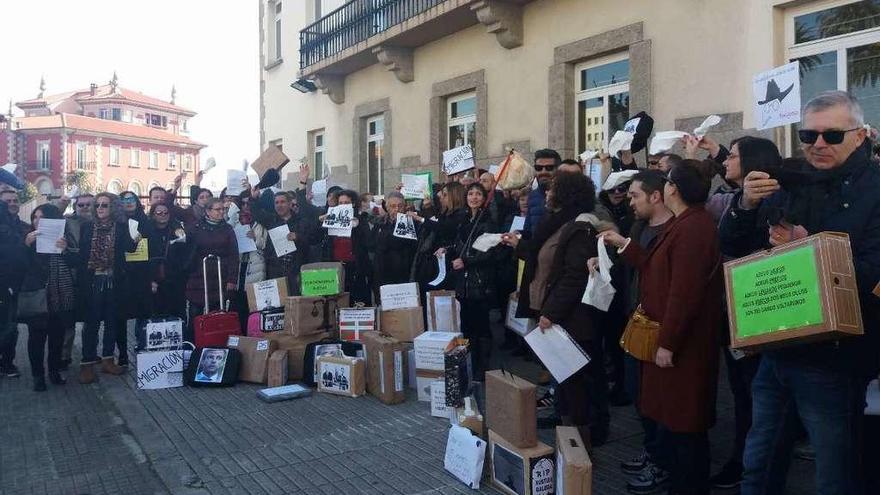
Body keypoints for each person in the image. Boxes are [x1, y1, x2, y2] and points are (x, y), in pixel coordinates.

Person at [721, 91, 880, 495]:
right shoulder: (789, 181)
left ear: (860, 136)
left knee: (836, 475)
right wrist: (743, 205)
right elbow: (734, 245)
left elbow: (872, 272)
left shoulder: (875, 189)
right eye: (808, 135)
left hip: (837, 359)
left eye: (831, 135)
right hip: (777, 345)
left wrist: (808, 246)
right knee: (758, 466)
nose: (818, 144)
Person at [602, 159, 723, 495]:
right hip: (671, 340)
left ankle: (688, 486)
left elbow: (685, 291)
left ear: (673, 189)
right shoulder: (684, 224)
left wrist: (667, 343)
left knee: (686, 424)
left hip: (684, 347)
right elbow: (656, 266)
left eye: (669, 181)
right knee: (672, 419)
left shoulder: (695, 228)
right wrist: (624, 246)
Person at [502, 172, 606, 445]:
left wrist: (552, 313)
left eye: (552, 189)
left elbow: (574, 275)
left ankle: (579, 443)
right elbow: (545, 259)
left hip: (570, 318)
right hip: (553, 311)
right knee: (563, 378)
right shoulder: (557, 223)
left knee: (575, 382)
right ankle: (566, 429)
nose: (546, 194)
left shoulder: (580, 226)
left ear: (566, 194)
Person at [703, 136, 779, 489]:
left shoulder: (773, 204)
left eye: (731, 157)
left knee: (754, 395)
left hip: (758, 308)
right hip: (732, 310)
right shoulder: (731, 199)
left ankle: (747, 462)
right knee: (742, 390)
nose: (726, 162)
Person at [617, 170, 674, 492]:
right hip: (635, 320)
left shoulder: (674, 229)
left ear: (656, 196)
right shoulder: (639, 227)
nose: (631, 201)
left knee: (659, 399)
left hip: (658, 328)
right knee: (638, 392)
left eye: (636, 195)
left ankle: (662, 461)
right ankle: (652, 448)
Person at [76, 192, 139, 384]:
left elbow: (129, 248)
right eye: (98, 205)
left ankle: (107, 360)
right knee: (91, 323)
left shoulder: (120, 227)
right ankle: (87, 363)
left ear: (113, 208)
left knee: (112, 321)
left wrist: (135, 238)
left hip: (114, 280)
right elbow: (81, 256)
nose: (100, 209)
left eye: (104, 205)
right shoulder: (86, 226)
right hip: (93, 280)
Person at [19, 204, 75, 391]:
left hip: (60, 294)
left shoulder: (65, 236)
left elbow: (78, 261)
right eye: (34, 217)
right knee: (36, 338)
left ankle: (54, 372)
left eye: (41, 217)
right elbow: (20, 267)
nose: (37, 221)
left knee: (57, 338)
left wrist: (65, 250)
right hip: (38, 295)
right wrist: (26, 246)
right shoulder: (28, 238)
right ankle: (37, 376)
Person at [450, 183, 499, 378]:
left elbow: (488, 253)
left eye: (478, 194)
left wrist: (466, 262)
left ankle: (482, 366)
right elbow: (460, 246)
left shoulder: (487, 221)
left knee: (481, 326)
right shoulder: (463, 219)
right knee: (466, 324)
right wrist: (448, 250)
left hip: (480, 282)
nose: (474, 197)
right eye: (470, 193)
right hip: (464, 283)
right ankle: (467, 363)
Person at [181, 198, 238, 341]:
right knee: (195, 312)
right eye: (217, 209)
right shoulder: (195, 227)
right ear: (207, 211)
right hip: (199, 276)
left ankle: (217, 343)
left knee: (218, 313)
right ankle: (194, 345)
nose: (221, 212)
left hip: (220, 275)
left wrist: (232, 279)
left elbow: (233, 254)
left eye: (223, 209)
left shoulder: (227, 229)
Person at [249, 185, 316, 295]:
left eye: (283, 202)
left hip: (296, 271)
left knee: (295, 304)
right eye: (277, 203)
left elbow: (312, 239)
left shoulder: (301, 221)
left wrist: (298, 237)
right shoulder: (271, 220)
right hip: (275, 270)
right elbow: (256, 213)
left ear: (290, 204)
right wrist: (254, 198)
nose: (279, 205)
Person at [115, 190, 152, 367]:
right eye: (124, 200)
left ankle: (142, 346)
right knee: (120, 316)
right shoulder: (116, 223)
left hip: (142, 274)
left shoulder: (146, 221)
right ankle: (122, 353)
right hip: (122, 275)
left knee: (144, 313)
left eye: (131, 199)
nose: (128, 202)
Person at [411, 182, 469, 295]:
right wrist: (427, 208)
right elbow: (435, 221)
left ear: (454, 196)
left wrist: (420, 219)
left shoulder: (461, 214)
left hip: (449, 262)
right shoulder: (446, 212)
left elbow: (443, 227)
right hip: (437, 260)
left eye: (445, 194)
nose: (440, 197)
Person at [147, 203, 188, 318]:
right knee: (156, 312)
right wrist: (149, 279)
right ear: (153, 215)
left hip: (175, 278)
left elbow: (185, 252)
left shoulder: (177, 230)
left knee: (177, 312)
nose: (163, 215)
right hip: (155, 277)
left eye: (166, 213)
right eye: (159, 213)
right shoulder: (147, 231)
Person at [373, 192, 418, 290]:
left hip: (405, 271)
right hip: (383, 271)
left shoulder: (412, 223)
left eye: (400, 206)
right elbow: (373, 244)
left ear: (405, 207)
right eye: (393, 206)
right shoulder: (380, 223)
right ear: (387, 207)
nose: (397, 209)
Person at [523, 149, 561, 236]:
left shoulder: (566, 195)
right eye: (539, 168)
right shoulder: (532, 195)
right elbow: (528, 230)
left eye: (549, 168)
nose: (543, 172)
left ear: (558, 169)